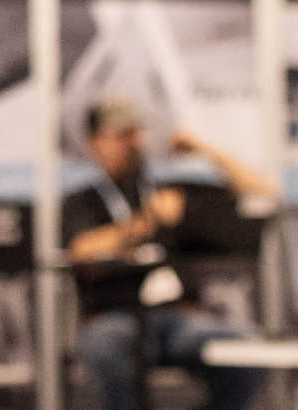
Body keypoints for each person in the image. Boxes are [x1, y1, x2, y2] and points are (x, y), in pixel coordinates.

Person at [63, 100, 272, 410]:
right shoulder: (83, 200)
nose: (130, 144)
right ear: (95, 143)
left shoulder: (167, 190)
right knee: (103, 346)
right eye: (119, 136)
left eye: (134, 135)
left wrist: (203, 149)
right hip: (115, 317)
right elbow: (81, 250)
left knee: (248, 349)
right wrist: (147, 221)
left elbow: (264, 194)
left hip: (179, 318)